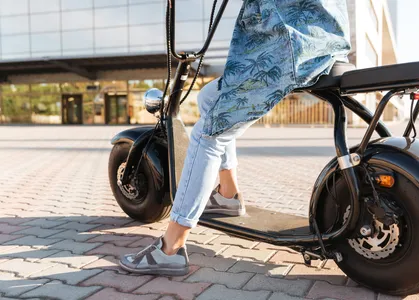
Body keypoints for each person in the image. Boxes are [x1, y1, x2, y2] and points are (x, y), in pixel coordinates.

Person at [119, 0, 351, 275]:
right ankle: (228, 196)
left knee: (208, 133)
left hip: (289, 48)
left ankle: (171, 246)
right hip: (320, 43)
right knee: (209, 98)